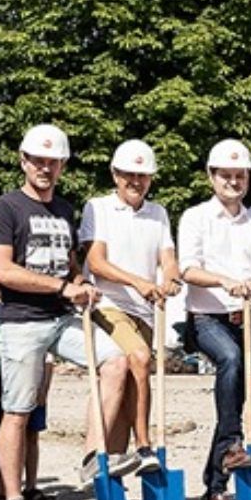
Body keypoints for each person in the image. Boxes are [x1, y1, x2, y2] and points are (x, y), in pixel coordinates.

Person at [0, 124, 128, 500]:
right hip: (22, 321)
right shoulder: (5, 209)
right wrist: (62, 286)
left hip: (63, 317)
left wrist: (78, 281)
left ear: (62, 165)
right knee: (18, 411)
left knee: (115, 362)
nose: (45, 168)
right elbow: (2, 270)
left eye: (53, 162)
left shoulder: (64, 210)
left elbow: (67, 263)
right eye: (38, 161)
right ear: (23, 161)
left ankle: (90, 456)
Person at [178, 139, 251, 500]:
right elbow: (187, 268)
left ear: (248, 178)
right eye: (226, 175)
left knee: (233, 403)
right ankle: (234, 443)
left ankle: (213, 489)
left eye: (239, 176)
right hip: (206, 318)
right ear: (211, 177)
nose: (233, 182)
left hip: (245, 320)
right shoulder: (195, 217)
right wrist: (225, 282)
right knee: (232, 360)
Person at [80, 140, 177, 476]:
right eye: (129, 175)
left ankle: (114, 473)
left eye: (143, 176)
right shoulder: (98, 208)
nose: (136, 182)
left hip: (146, 311)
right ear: (115, 174)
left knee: (127, 395)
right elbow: (96, 262)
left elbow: (168, 259)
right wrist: (138, 282)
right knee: (139, 357)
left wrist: (171, 280)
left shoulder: (159, 213)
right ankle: (145, 444)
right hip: (108, 305)